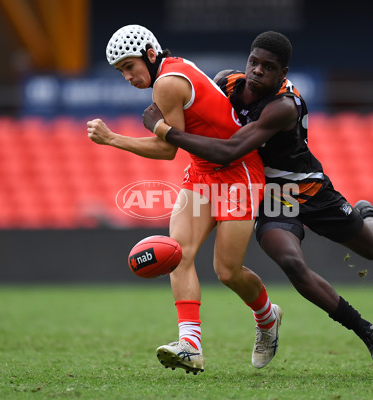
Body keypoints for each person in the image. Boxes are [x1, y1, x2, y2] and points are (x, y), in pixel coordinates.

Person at [143, 31, 373, 364]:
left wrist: (166, 131)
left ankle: (369, 216)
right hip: (270, 193)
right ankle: (366, 331)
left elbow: (229, 149)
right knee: (290, 262)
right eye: (254, 62)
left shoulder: (283, 106)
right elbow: (187, 98)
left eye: (269, 67)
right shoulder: (226, 84)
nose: (258, 71)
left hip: (307, 187)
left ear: (283, 74)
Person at [86, 25, 283, 374]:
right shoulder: (167, 73)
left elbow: (166, 148)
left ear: (150, 54)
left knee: (227, 271)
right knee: (179, 252)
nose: (127, 76)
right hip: (203, 173)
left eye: (129, 67)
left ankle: (267, 318)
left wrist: (112, 139)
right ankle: (190, 344)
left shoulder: (167, 83)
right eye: (121, 72)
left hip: (239, 174)